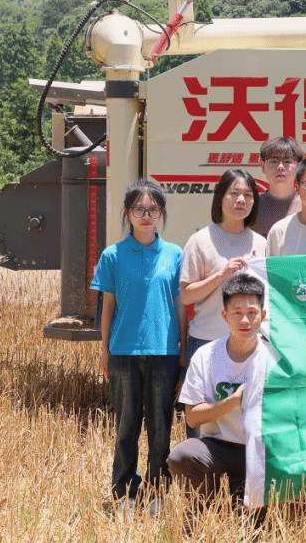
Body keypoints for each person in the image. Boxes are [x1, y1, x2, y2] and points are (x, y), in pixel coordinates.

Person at [90, 179, 183, 505]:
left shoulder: (174, 254)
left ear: (161, 213)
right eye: (139, 209)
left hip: (163, 351)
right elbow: (108, 307)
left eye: (153, 209)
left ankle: (157, 490)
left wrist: (182, 348)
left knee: (161, 427)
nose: (146, 216)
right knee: (126, 426)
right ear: (127, 213)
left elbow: (179, 305)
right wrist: (104, 350)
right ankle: (124, 490)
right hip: (124, 352)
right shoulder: (112, 256)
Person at [168, 274, 271, 501]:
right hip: (221, 448)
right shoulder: (205, 356)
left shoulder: (274, 359)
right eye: (237, 313)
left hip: (265, 450)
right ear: (225, 316)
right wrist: (233, 402)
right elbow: (192, 418)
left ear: (263, 316)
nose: (245, 320)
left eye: (252, 313)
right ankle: (210, 505)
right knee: (182, 456)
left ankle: (250, 501)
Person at [181, 168, 266, 364]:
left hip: (249, 342)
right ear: (220, 197)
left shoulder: (261, 243)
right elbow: (186, 296)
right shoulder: (200, 240)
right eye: (234, 193)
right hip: (206, 340)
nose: (241, 200)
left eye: (248, 195)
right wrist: (222, 274)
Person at [250, 136, 304, 236]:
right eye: (274, 161)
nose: (280, 167)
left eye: (287, 161)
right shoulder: (252, 206)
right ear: (262, 165)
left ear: (299, 166)